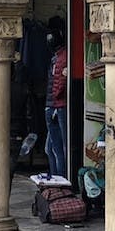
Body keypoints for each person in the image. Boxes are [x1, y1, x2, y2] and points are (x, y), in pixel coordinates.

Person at [44, 27, 68, 178]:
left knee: (57, 148)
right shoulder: (59, 57)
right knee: (51, 148)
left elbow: (59, 83)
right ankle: (56, 177)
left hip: (56, 106)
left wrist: (55, 98)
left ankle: (59, 178)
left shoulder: (61, 58)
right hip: (55, 105)